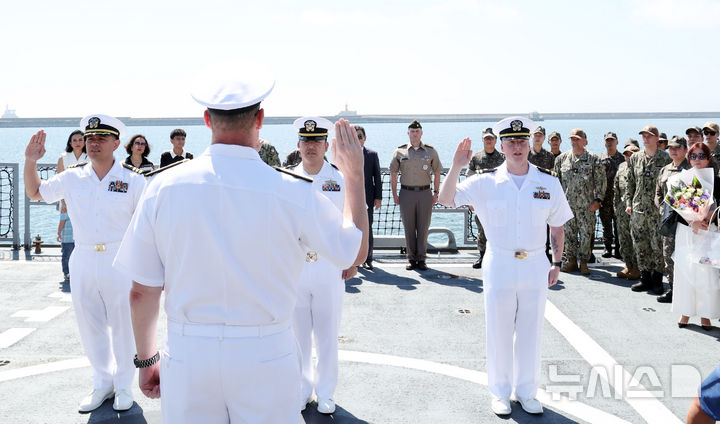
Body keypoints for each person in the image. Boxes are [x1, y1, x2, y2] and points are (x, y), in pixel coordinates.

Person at [114, 71, 368, 424]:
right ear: (260, 120)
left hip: (189, 355)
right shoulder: (293, 190)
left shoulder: (163, 187)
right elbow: (353, 254)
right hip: (266, 353)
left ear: (206, 120)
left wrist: (145, 360)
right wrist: (354, 176)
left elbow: (141, 291)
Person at [438, 116, 573, 416]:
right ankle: (499, 392)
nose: (517, 146)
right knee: (498, 330)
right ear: (501, 145)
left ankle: (527, 392)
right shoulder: (485, 182)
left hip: (536, 263)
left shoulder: (547, 181)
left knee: (531, 330)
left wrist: (557, 263)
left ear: (529, 144)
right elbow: (446, 199)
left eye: (522, 141)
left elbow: (558, 227)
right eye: (511, 141)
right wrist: (457, 164)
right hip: (499, 262)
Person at [25, 114, 146, 413]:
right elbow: (35, 191)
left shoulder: (133, 179)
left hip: (120, 259)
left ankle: (124, 385)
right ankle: (102, 383)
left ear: (117, 143)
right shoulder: (73, 177)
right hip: (83, 257)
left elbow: (146, 227)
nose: (93, 143)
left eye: (101, 138)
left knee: (122, 325)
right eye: (90, 138)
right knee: (90, 324)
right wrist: (30, 160)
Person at [289, 116, 357, 414]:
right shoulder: (286, 179)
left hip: (330, 267)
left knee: (328, 334)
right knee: (297, 335)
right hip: (296, 268)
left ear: (326, 144)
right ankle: (302, 390)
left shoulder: (340, 179)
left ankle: (326, 392)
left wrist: (353, 259)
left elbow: (352, 219)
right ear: (299, 145)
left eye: (317, 141)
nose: (311, 146)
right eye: (306, 141)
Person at [673, 142, 720, 331]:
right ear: (688, 158)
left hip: (708, 231)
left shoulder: (717, 181)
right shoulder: (682, 179)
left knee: (706, 274)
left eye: (701, 156)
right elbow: (674, 208)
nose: (697, 160)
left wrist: (709, 217)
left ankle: (705, 315)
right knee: (686, 272)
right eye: (693, 156)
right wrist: (692, 221)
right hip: (686, 232)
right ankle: (685, 311)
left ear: (708, 158)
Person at [389, 120, 442, 271]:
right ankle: (412, 259)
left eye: (417, 131)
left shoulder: (431, 151)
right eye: (412, 131)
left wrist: (436, 193)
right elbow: (393, 173)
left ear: (421, 133)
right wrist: (394, 194)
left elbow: (437, 172)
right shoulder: (400, 151)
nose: (415, 134)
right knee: (409, 227)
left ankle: (422, 259)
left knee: (423, 227)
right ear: (408, 133)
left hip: (425, 193)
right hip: (406, 193)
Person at [625, 125, 671, 295]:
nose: (645, 138)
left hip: (657, 212)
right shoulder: (636, 158)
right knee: (640, 244)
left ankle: (657, 280)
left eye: (649, 136)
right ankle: (645, 279)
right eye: (643, 135)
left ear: (657, 139)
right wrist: (628, 202)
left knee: (657, 246)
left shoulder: (665, 159)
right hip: (638, 210)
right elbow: (629, 182)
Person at [554, 128, 606, 275]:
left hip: (586, 206)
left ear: (585, 141)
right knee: (569, 234)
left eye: (577, 138)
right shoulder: (561, 159)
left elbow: (601, 181)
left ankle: (583, 262)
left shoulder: (593, 159)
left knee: (585, 234)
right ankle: (571, 260)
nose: (574, 141)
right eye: (572, 138)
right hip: (567, 206)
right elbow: (555, 182)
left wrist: (598, 200)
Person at [654, 136, 690, 303]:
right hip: (669, 221)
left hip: (687, 221)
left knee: (687, 257)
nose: (673, 151)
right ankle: (673, 289)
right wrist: (662, 208)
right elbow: (658, 193)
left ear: (684, 149)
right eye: (670, 148)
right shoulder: (665, 170)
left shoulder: (690, 169)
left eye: (677, 147)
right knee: (668, 256)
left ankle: (687, 291)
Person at [467, 128, 505, 268]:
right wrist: (470, 200)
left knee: (500, 229)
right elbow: (469, 179)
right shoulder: (476, 158)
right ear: (482, 140)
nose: (488, 141)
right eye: (486, 138)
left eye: (491, 138)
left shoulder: (503, 158)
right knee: (482, 230)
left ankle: (500, 258)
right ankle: (482, 257)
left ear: (495, 140)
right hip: (481, 201)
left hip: (500, 200)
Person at [355, 125, 382, 270]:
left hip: (368, 198)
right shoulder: (346, 154)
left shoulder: (372, 155)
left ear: (364, 138)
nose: (357, 139)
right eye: (355, 136)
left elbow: (377, 177)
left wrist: (378, 197)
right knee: (351, 228)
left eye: (360, 136)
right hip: (350, 198)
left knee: (367, 228)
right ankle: (354, 259)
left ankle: (367, 258)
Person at [615, 144, 641, 280]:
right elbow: (616, 187)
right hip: (622, 209)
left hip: (636, 210)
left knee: (636, 239)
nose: (628, 156)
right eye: (626, 154)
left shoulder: (639, 168)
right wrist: (616, 206)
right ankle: (628, 265)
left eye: (631, 154)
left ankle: (638, 267)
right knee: (624, 239)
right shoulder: (621, 167)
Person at [598, 131, 626, 258]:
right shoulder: (600, 159)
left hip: (619, 198)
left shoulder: (622, 158)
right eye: (607, 140)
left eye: (612, 140)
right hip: (605, 198)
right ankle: (607, 248)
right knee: (606, 225)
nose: (610, 143)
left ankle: (619, 249)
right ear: (604, 143)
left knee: (619, 224)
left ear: (617, 142)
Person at [57, 211, 74, 291]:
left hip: (71, 238)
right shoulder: (66, 211)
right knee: (67, 256)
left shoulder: (67, 211)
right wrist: (59, 233)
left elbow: (61, 223)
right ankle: (67, 273)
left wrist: (59, 233)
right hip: (69, 238)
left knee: (68, 256)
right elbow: (61, 223)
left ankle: (69, 273)